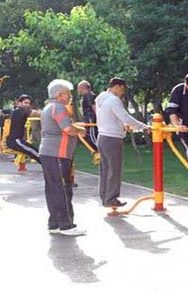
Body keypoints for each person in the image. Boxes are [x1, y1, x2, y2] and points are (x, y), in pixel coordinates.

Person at [39, 79, 87, 236]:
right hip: (58, 153)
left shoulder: (47, 107)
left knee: (52, 188)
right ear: (60, 94)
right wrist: (80, 130)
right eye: (68, 93)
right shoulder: (59, 107)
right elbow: (67, 128)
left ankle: (54, 223)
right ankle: (67, 225)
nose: (70, 96)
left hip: (47, 153)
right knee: (63, 189)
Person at [96, 77, 150, 207]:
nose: (122, 93)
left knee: (105, 169)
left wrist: (121, 125)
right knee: (114, 169)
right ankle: (111, 198)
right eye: (122, 89)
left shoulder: (100, 98)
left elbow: (110, 116)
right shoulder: (114, 100)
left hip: (102, 136)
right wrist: (144, 126)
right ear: (117, 87)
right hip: (112, 138)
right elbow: (125, 116)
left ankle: (105, 197)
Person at [6, 94, 42, 163]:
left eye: (29, 103)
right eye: (25, 103)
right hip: (16, 141)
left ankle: (48, 168)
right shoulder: (20, 111)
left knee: (35, 151)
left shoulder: (16, 111)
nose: (28, 105)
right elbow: (34, 113)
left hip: (17, 140)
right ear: (19, 103)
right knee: (36, 153)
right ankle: (49, 168)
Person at [77, 80, 98, 152]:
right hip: (88, 118)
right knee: (89, 136)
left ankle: (99, 150)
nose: (78, 90)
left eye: (78, 88)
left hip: (91, 119)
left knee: (92, 136)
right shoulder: (86, 96)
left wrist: (98, 117)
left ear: (83, 88)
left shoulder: (89, 95)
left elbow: (94, 107)